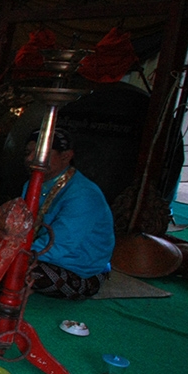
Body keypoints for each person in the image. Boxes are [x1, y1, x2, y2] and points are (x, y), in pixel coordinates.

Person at [23, 127, 114, 300]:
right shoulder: (32, 184)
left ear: (66, 156)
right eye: (28, 152)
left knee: (12, 268)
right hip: (40, 257)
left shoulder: (83, 195)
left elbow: (56, 246)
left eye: (40, 153)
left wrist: (8, 254)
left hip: (79, 272)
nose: (29, 159)